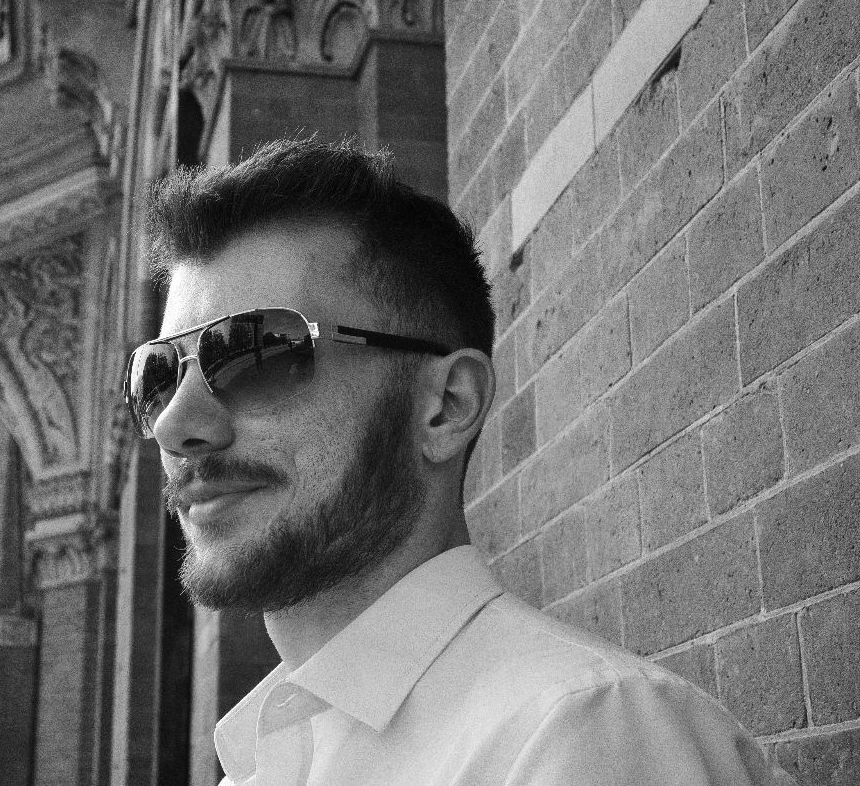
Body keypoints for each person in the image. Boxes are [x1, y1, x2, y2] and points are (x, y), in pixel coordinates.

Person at [125, 138, 793, 785]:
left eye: (258, 351)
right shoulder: (258, 763)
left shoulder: (583, 735)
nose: (175, 425)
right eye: (157, 375)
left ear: (446, 406)